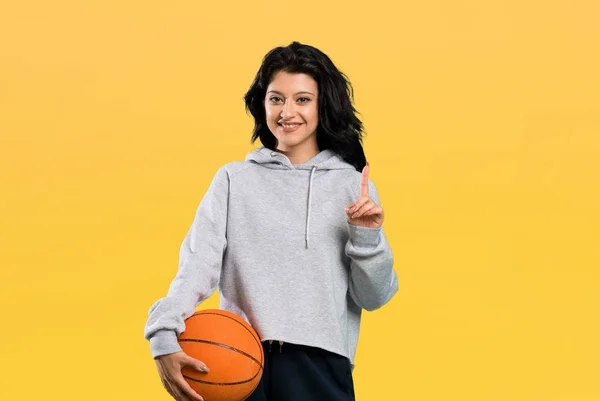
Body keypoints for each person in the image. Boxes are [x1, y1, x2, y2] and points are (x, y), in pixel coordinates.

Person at [144, 41, 399, 401]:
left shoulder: (351, 186)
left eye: (302, 99)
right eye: (276, 98)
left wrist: (368, 238)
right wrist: (162, 331)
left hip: (320, 367)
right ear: (261, 103)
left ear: (323, 104)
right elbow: (196, 266)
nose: (287, 111)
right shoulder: (234, 180)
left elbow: (373, 297)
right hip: (238, 361)